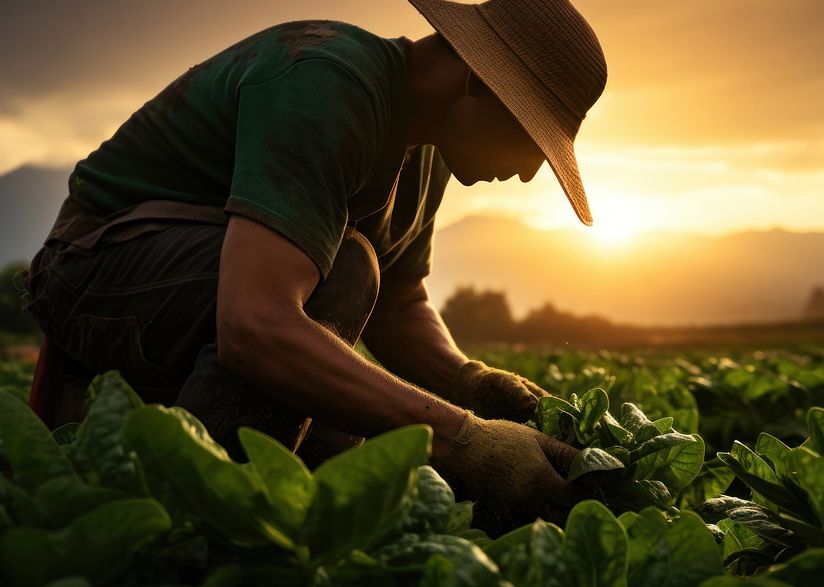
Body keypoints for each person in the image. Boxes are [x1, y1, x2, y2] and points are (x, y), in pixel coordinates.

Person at [21, 0, 608, 524]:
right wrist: (463, 438)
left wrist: (470, 382)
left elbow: (400, 303)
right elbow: (256, 325)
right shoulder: (329, 81)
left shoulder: (424, 156)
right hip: (92, 271)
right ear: (478, 84)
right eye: (530, 136)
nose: (531, 170)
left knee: (344, 434)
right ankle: (196, 525)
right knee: (348, 269)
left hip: (202, 289)